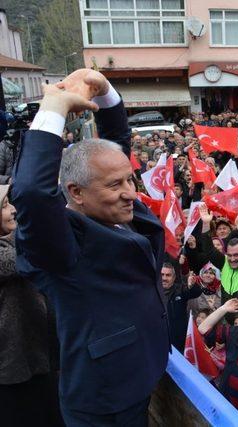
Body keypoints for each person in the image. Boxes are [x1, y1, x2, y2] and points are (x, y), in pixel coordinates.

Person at [12, 69, 169, 425]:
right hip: (105, 404)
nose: (131, 191)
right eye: (117, 185)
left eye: (130, 179)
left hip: (137, 382)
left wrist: (105, 92)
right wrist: (53, 107)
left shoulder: (110, 206)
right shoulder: (60, 245)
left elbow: (115, 152)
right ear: (76, 193)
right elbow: (34, 193)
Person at [0, 185, 63, 426]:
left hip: (40, 360)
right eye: (5, 206)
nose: (14, 210)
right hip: (12, 372)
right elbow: (23, 259)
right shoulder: (9, 255)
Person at [161, 262, 203, 352]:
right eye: (162, 275)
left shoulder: (180, 289)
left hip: (178, 341)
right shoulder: (153, 291)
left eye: (168, 275)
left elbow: (196, 292)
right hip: (159, 339)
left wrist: (192, 285)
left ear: (174, 278)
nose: (164, 278)